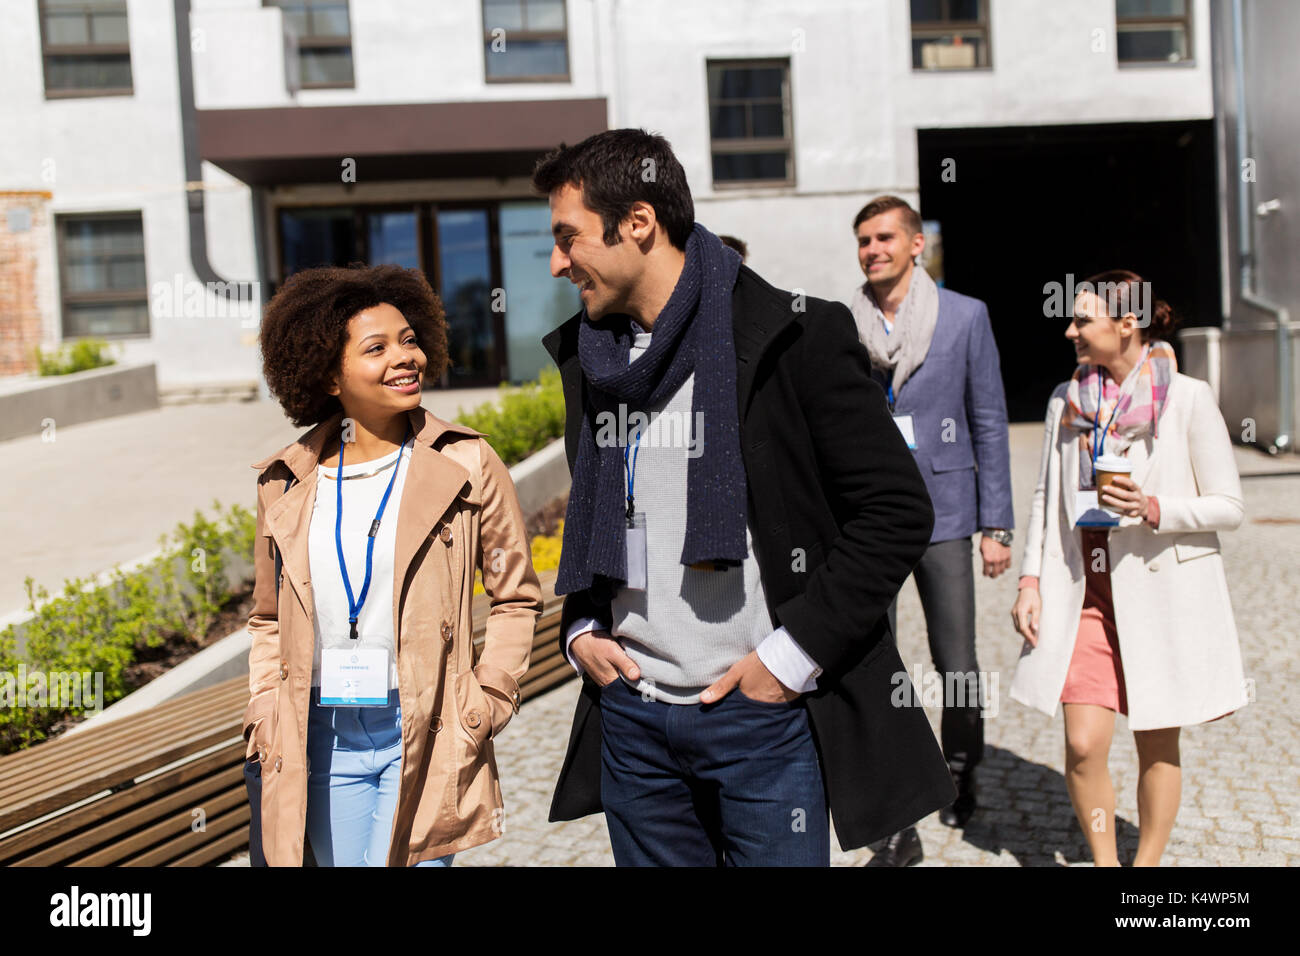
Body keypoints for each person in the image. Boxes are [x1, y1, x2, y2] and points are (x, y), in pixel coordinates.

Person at [536, 129, 954, 867]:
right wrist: (581, 628)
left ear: (638, 222)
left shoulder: (796, 336)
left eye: (568, 238)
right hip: (633, 722)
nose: (556, 263)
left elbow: (896, 512)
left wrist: (790, 659)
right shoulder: (589, 355)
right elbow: (603, 515)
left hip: (758, 720)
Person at [243, 263, 542, 866]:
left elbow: (515, 595)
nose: (405, 357)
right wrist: (264, 707)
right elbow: (267, 618)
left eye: (409, 340)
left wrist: (490, 697)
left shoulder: (467, 462)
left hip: (427, 726)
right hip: (319, 736)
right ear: (328, 372)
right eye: (376, 348)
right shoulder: (287, 480)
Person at [1010, 270, 1249, 866]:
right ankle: (1104, 863)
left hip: (1158, 592)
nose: (1070, 331)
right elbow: (1045, 495)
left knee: (1156, 740)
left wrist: (1153, 506)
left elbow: (1231, 505)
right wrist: (1031, 579)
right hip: (1083, 596)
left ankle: (1144, 869)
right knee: (1083, 744)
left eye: (1082, 320)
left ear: (1127, 324)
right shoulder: (1065, 401)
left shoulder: (1188, 398)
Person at [848, 196, 1014, 866]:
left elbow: (990, 420)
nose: (872, 249)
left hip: (947, 511)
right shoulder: (841, 321)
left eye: (884, 237)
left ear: (916, 244)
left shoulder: (965, 316)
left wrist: (995, 522)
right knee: (872, 661)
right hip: (869, 517)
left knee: (957, 662)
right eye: (863, 240)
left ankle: (959, 765)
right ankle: (894, 794)